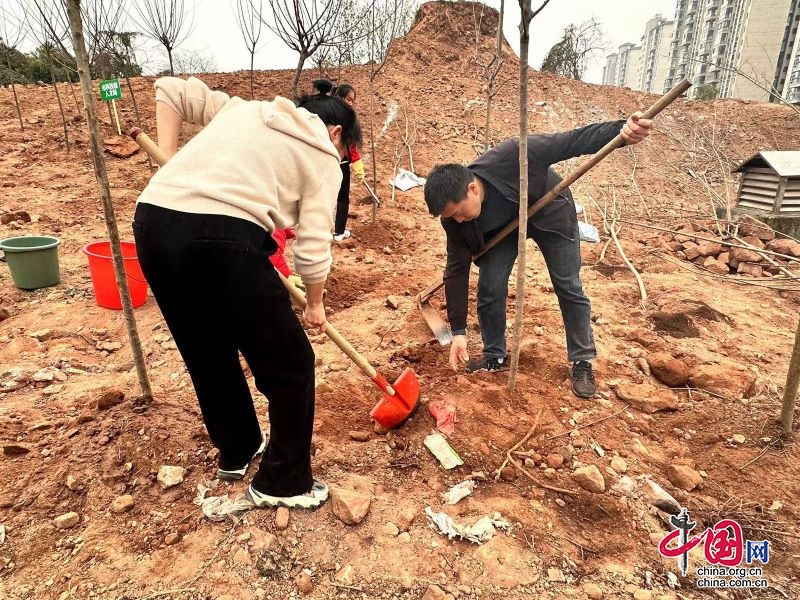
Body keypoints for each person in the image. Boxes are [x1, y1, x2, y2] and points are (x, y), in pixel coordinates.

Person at [132, 76, 362, 509]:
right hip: (222, 236)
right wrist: (315, 304)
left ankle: (238, 449)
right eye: (346, 149)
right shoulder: (323, 155)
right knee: (291, 365)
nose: (343, 158)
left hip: (152, 224)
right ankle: (283, 481)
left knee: (207, 348)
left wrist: (170, 159)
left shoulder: (244, 108)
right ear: (336, 133)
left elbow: (170, 90)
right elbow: (314, 246)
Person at [423, 115, 653, 398]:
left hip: (550, 212)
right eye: (451, 217)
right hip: (503, 232)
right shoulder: (454, 222)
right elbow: (456, 271)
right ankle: (495, 355)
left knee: (568, 285)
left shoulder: (512, 156)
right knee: (490, 286)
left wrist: (620, 131)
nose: (458, 221)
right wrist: (458, 330)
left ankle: (582, 360)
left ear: (472, 188)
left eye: (459, 212)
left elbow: (571, 141)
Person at [312, 80, 364, 242]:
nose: (351, 103)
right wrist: (356, 163)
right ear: (340, 97)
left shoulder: (321, 110)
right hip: (338, 162)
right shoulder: (344, 116)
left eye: (353, 101)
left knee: (321, 195)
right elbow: (350, 143)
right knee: (342, 197)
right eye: (349, 99)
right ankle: (339, 232)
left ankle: (318, 231)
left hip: (319, 161)